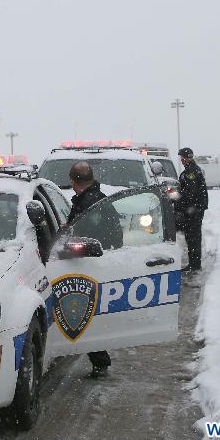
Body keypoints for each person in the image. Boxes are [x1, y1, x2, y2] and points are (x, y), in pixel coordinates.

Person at [65, 161, 120, 378]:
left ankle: (100, 361)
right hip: (98, 261)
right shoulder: (95, 198)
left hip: (90, 263)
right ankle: (100, 360)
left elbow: (88, 234)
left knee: (81, 311)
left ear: (72, 181)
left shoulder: (90, 203)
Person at [175, 147, 208, 271]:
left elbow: (189, 193)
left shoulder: (191, 172)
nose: (181, 160)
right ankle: (194, 263)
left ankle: (194, 265)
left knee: (192, 236)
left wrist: (175, 197)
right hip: (193, 208)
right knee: (192, 236)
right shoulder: (191, 170)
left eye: (182, 158)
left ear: (186, 158)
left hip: (194, 209)